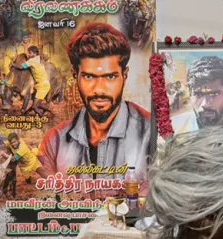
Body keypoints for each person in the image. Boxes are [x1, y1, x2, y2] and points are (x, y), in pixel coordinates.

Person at [37, 22, 152, 196]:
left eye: (110, 77)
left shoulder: (151, 134)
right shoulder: (54, 142)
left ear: (124, 76)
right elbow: (44, 204)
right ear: (75, 76)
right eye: (89, 76)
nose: (99, 89)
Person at [171, 56, 223, 134]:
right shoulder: (174, 128)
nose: (205, 104)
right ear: (190, 95)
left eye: (214, 94)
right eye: (198, 94)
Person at [9, 46, 52, 117]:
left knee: (34, 107)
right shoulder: (38, 58)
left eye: (30, 53)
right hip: (43, 84)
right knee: (39, 104)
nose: (29, 55)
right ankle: (51, 112)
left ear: (35, 53)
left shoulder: (32, 61)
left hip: (43, 86)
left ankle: (41, 118)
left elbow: (20, 67)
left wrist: (12, 64)